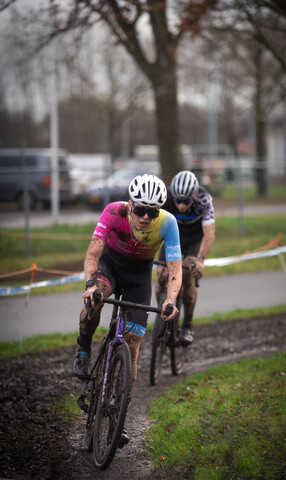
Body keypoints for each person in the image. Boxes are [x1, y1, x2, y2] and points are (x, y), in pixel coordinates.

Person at [73, 173, 182, 446]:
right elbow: (93, 254)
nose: (145, 216)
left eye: (152, 211)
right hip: (109, 268)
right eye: (140, 209)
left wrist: (169, 299)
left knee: (132, 348)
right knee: (94, 301)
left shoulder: (168, 223)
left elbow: (175, 270)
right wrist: (89, 285)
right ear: (131, 204)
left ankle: (117, 418)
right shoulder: (114, 211)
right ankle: (84, 347)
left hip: (138, 278)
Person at [155, 170, 215, 345]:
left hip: (194, 240)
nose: (181, 205)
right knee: (160, 277)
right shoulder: (165, 196)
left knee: (189, 275)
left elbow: (209, 234)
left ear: (194, 196)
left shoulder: (204, 199)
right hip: (171, 238)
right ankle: (162, 316)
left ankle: (187, 325)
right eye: (178, 201)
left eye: (186, 201)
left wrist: (200, 260)